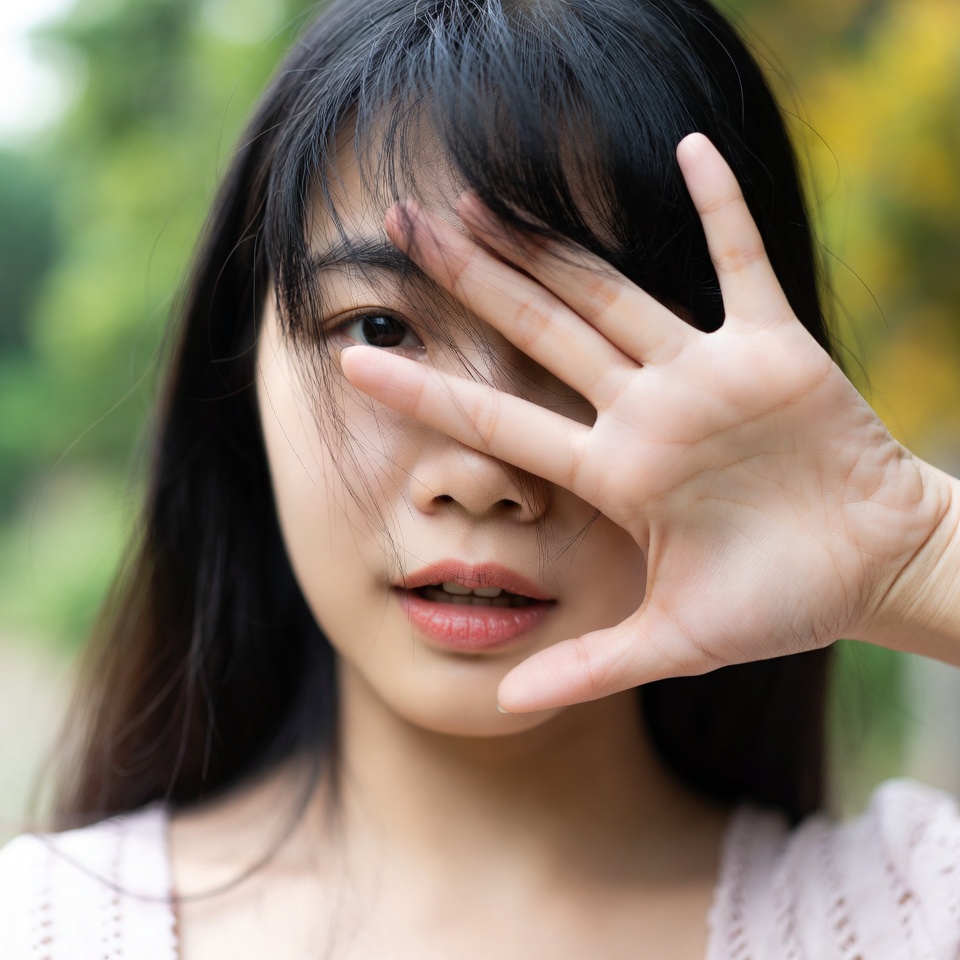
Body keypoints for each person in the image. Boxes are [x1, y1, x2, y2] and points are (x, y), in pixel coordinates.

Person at [2, 0, 960, 955]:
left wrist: (918, 559)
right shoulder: (48, 927)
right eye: (380, 327)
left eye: (591, 348)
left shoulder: (912, 914)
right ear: (240, 377)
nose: (483, 476)